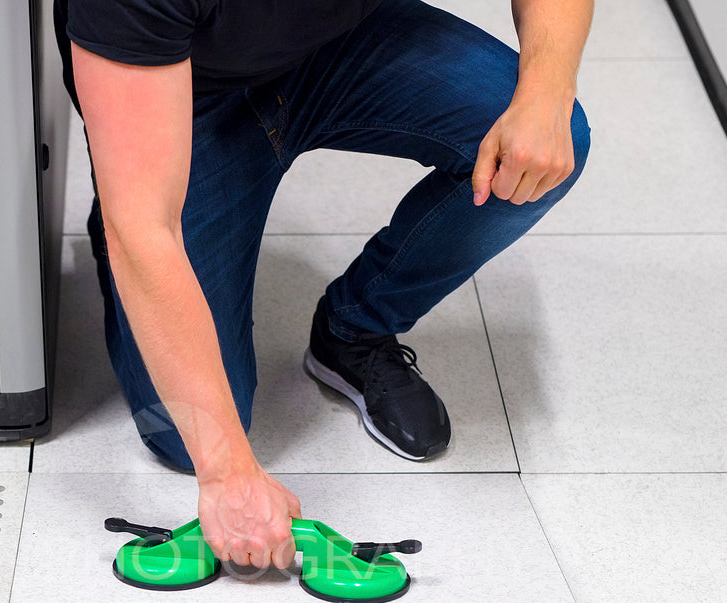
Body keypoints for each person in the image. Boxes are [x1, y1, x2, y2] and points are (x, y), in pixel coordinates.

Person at [55, 0, 592, 571]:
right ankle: (132, 191)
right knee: (186, 436)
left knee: (548, 142)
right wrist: (229, 473)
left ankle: (354, 329)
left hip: (333, 45)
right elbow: (144, 229)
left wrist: (545, 91)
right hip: (188, 96)